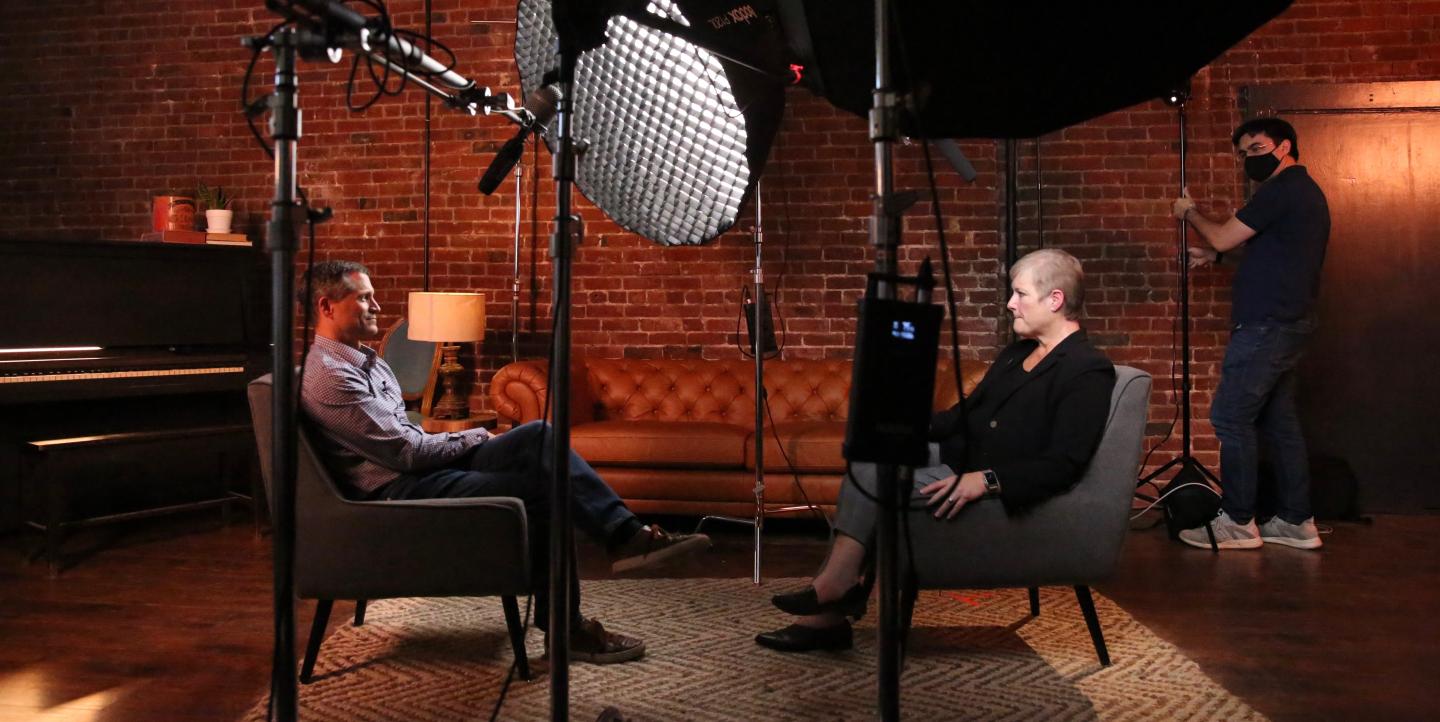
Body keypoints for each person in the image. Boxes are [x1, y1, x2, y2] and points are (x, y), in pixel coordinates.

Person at [297, 260, 711, 664]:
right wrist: (478, 434)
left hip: (421, 469)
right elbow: (404, 453)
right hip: (397, 489)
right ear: (326, 307)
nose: (377, 307)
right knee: (541, 489)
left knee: (537, 436)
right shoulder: (330, 374)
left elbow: (409, 441)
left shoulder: (367, 360)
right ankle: (569, 630)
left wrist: (470, 439)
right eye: (365, 298)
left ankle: (625, 534)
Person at [755, 249, 1116, 652]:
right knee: (875, 449)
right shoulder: (1017, 354)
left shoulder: (1086, 369)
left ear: (1055, 300)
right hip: (955, 460)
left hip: (993, 487)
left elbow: (1065, 463)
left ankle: (830, 599)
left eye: (1019, 294)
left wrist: (988, 480)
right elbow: (964, 416)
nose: (1010, 303)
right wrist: (901, 424)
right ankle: (835, 595)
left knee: (881, 476)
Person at [1171, 117, 1330, 551]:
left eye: (1256, 149)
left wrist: (1191, 214)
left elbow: (1224, 236)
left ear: (1285, 148)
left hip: (1267, 325)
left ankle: (1238, 522)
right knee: (1279, 422)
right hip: (1288, 322)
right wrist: (1217, 261)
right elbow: (1279, 259)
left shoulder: (1282, 190)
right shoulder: (1302, 194)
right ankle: (1297, 522)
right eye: (1243, 153)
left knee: (1230, 417)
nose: (1248, 159)